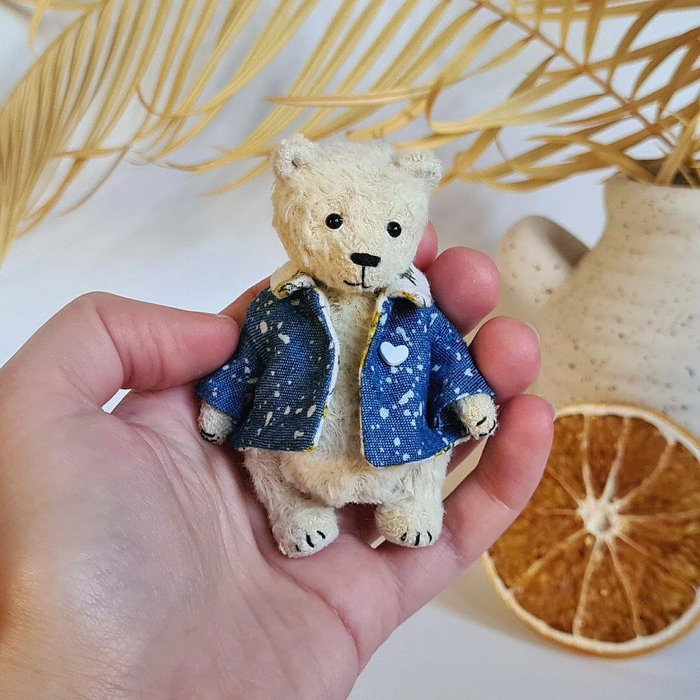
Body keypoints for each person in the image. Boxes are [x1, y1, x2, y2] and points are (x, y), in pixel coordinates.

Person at [0, 225, 553, 698]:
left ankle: (412, 504)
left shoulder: (418, 312)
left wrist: (471, 398)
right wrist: (220, 405)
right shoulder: (278, 307)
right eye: (333, 222)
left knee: (433, 447)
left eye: (389, 229)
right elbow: (246, 362)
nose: (363, 250)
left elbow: (450, 359)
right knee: (263, 454)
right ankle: (295, 515)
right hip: (296, 446)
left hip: (397, 448)